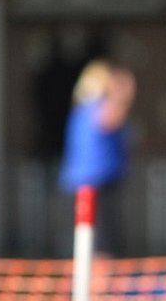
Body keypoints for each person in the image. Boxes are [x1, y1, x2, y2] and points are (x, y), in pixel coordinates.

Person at [58, 58, 136, 255]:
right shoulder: (95, 108)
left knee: (88, 245)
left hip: (86, 185)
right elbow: (111, 118)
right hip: (94, 186)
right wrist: (125, 93)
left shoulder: (81, 109)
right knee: (100, 246)